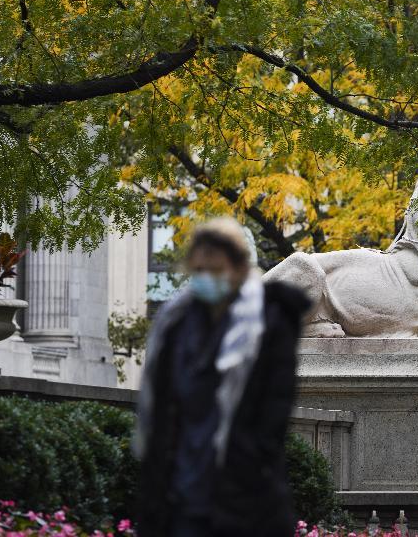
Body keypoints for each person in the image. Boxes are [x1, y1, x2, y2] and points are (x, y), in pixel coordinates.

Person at [133, 217, 310, 537]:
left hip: (243, 501)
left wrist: (249, 466)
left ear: (240, 269)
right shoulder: (175, 325)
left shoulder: (269, 325)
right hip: (180, 499)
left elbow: (273, 416)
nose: (206, 278)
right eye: (199, 270)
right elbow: (161, 412)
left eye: (215, 270)